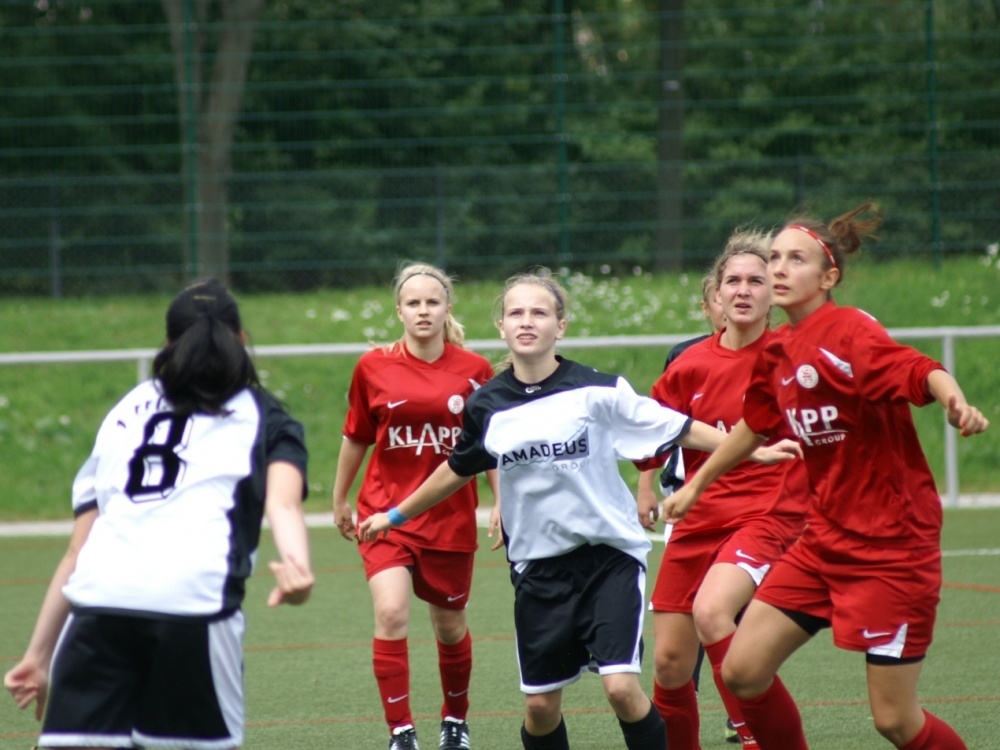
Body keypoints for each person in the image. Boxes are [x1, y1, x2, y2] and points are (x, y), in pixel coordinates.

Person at [359, 270, 800, 750]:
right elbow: (457, 468)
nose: (527, 321)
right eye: (516, 313)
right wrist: (396, 515)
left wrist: (749, 449)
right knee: (540, 708)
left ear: (560, 327)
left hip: (608, 558)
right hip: (538, 570)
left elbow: (680, 426)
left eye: (540, 312)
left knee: (622, 689)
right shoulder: (487, 405)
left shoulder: (598, 390)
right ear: (502, 328)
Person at [663, 203, 990, 750]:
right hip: (823, 541)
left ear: (828, 276)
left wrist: (955, 399)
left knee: (895, 720)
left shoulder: (849, 330)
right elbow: (754, 424)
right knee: (742, 670)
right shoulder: (780, 351)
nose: (779, 269)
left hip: (892, 546)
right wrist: (695, 485)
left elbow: (916, 367)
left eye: (796, 259)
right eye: (775, 258)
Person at [4, 278, 314, 750]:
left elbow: (77, 548)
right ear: (243, 341)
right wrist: (297, 565)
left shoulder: (128, 409)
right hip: (193, 602)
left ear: (169, 342)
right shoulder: (266, 415)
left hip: (98, 602)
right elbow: (283, 502)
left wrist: (39, 655)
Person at [636, 231, 808, 749]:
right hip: (695, 517)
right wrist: (645, 486)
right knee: (668, 664)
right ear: (717, 293)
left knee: (713, 612)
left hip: (765, 515)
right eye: (733, 280)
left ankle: (755, 737)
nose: (743, 289)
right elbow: (651, 429)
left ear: (772, 294)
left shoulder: (792, 361)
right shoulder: (689, 365)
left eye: (756, 281)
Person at [332, 262, 498, 750]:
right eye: (413, 303)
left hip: (450, 520)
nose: (423, 310)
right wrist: (340, 497)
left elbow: (489, 444)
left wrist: (500, 501)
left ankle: (455, 721)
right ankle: (401, 732)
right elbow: (357, 436)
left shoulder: (475, 371)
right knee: (391, 613)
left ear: (447, 308)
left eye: (432, 302)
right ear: (398, 311)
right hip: (385, 513)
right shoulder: (373, 366)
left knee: (449, 628)